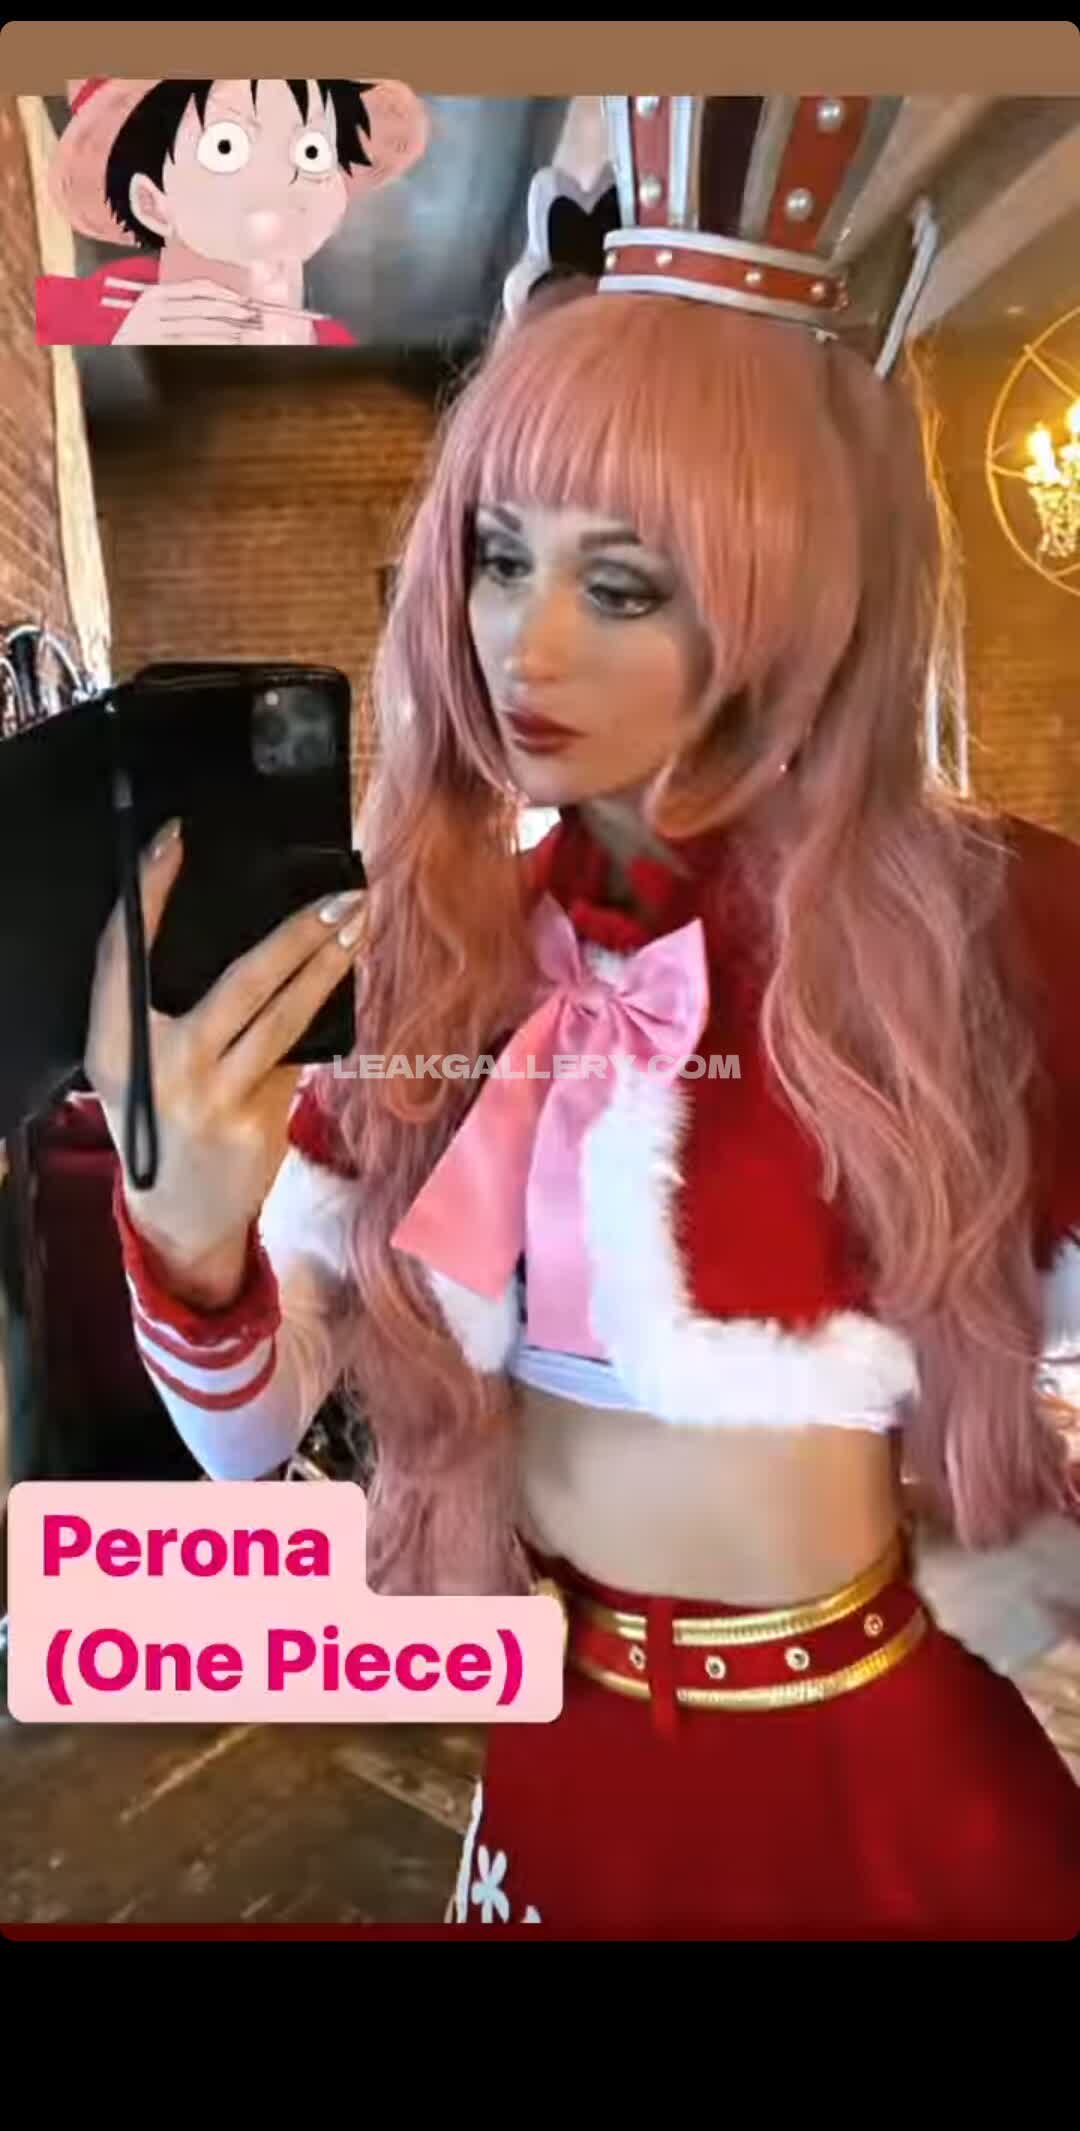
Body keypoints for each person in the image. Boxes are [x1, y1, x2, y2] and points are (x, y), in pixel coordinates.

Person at [84, 94, 1080, 1938]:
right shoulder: (438, 956)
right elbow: (247, 1441)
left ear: (791, 603)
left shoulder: (990, 925)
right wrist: (186, 1236)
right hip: (567, 1755)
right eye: (498, 555)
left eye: (620, 584)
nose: (522, 648)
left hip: (878, 1765)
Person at [36, 76, 429, 348]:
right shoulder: (76, 313)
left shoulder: (330, 341)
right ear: (151, 203)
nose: (288, 179)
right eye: (225, 148)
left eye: (313, 150)